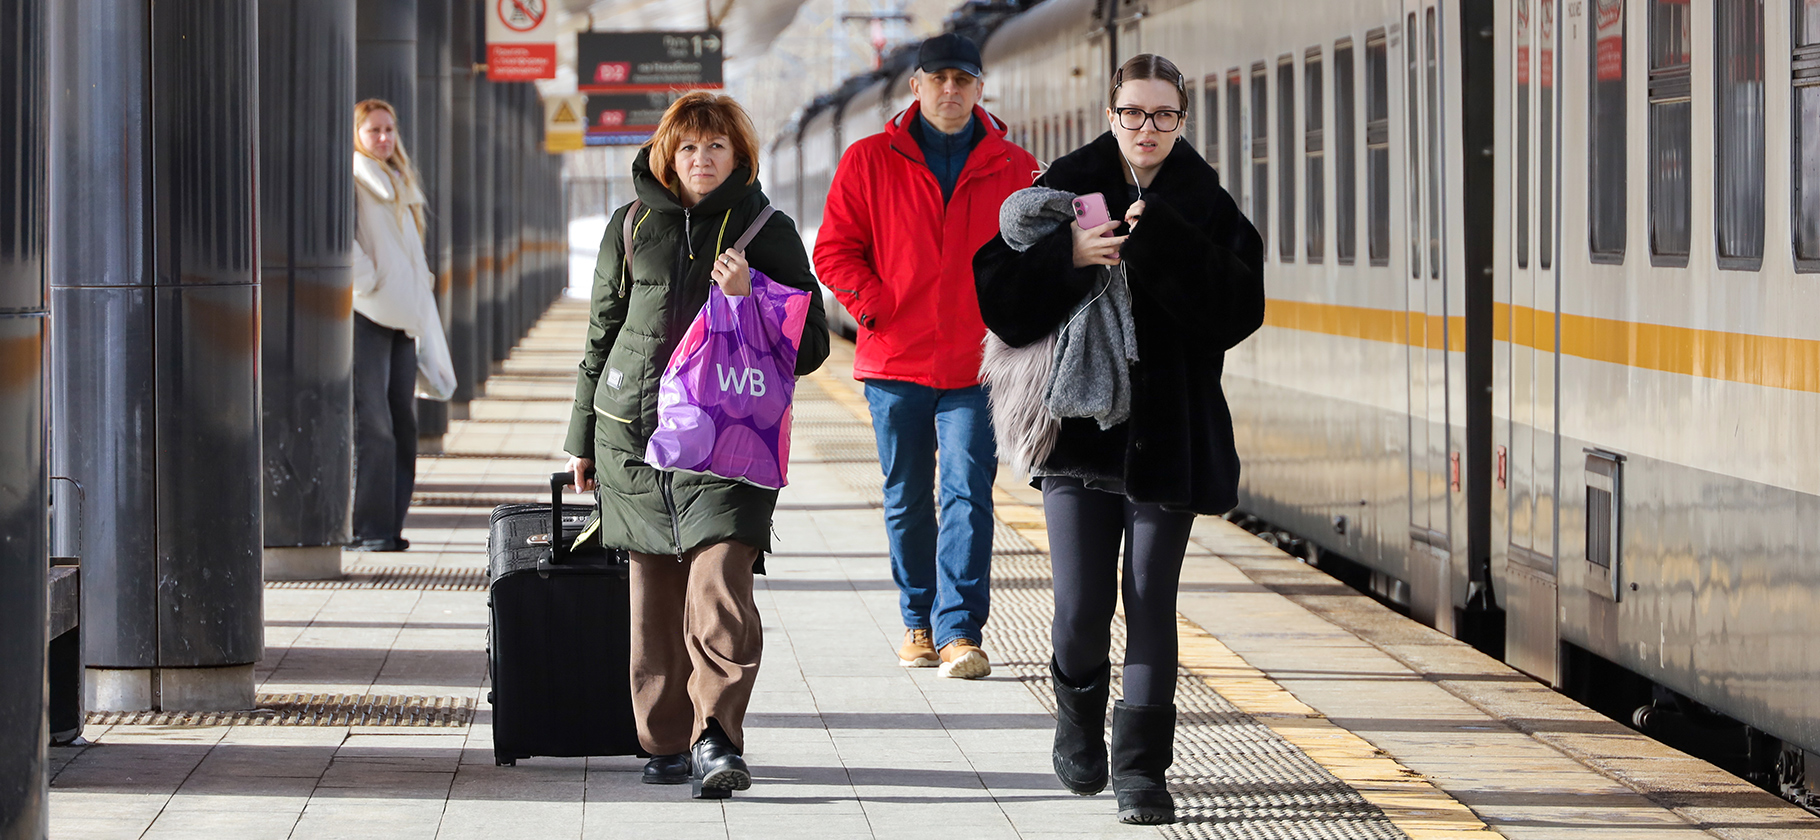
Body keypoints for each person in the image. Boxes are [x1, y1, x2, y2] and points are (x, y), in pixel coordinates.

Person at [972, 54, 1265, 824]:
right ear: (1111, 114)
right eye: (1133, 113)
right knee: (1078, 605)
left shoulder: (1205, 203)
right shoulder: (1063, 190)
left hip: (1171, 435)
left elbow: (1239, 309)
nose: (1147, 128)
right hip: (1078, 438)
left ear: (1182, 120)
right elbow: (1001, 301)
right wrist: (1068, 258)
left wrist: (1161, 241)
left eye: (1163, 115)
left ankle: (1142, 772)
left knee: (1149, 600)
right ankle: (1076, 726)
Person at [563, 91, 830, 800]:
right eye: (689, 148)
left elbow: (812, 347)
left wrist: (750, 296)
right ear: (667, 154)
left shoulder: (765, 227)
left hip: (731, 438)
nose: (702, 160)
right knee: (653, 595)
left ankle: (717, 735)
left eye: (716, 148)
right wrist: (581, 438)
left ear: (739, 155)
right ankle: (663, 741)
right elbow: (599, 338)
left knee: (720, 587)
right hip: (635, 435)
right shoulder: (629, 227)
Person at [813, 33, 1039, 679]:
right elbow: (833, 250)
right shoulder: (868, 161)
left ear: (979, 88)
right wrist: (875, 307)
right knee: (908, 498)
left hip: (978, 368)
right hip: (895, 365)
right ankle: (917, 619)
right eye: (937, 79)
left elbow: (1037, 259)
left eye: (962, 80)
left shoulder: (1015, 168)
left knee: (968, 493)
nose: (950, 90)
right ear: (915, 86)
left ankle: (960, 632)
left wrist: (1012, 323)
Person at [349, 99, 455, 552]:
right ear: (357, 134)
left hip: (403, 318)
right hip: (368, 313)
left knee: (403, 425)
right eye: (374, 130)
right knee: (372, 424)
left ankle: (389, 525)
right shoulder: (354, 178)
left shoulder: (398, 181)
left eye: (389, 129)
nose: (384, 138)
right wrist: (368, 283)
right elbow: (344, 242)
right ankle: (368, 529)